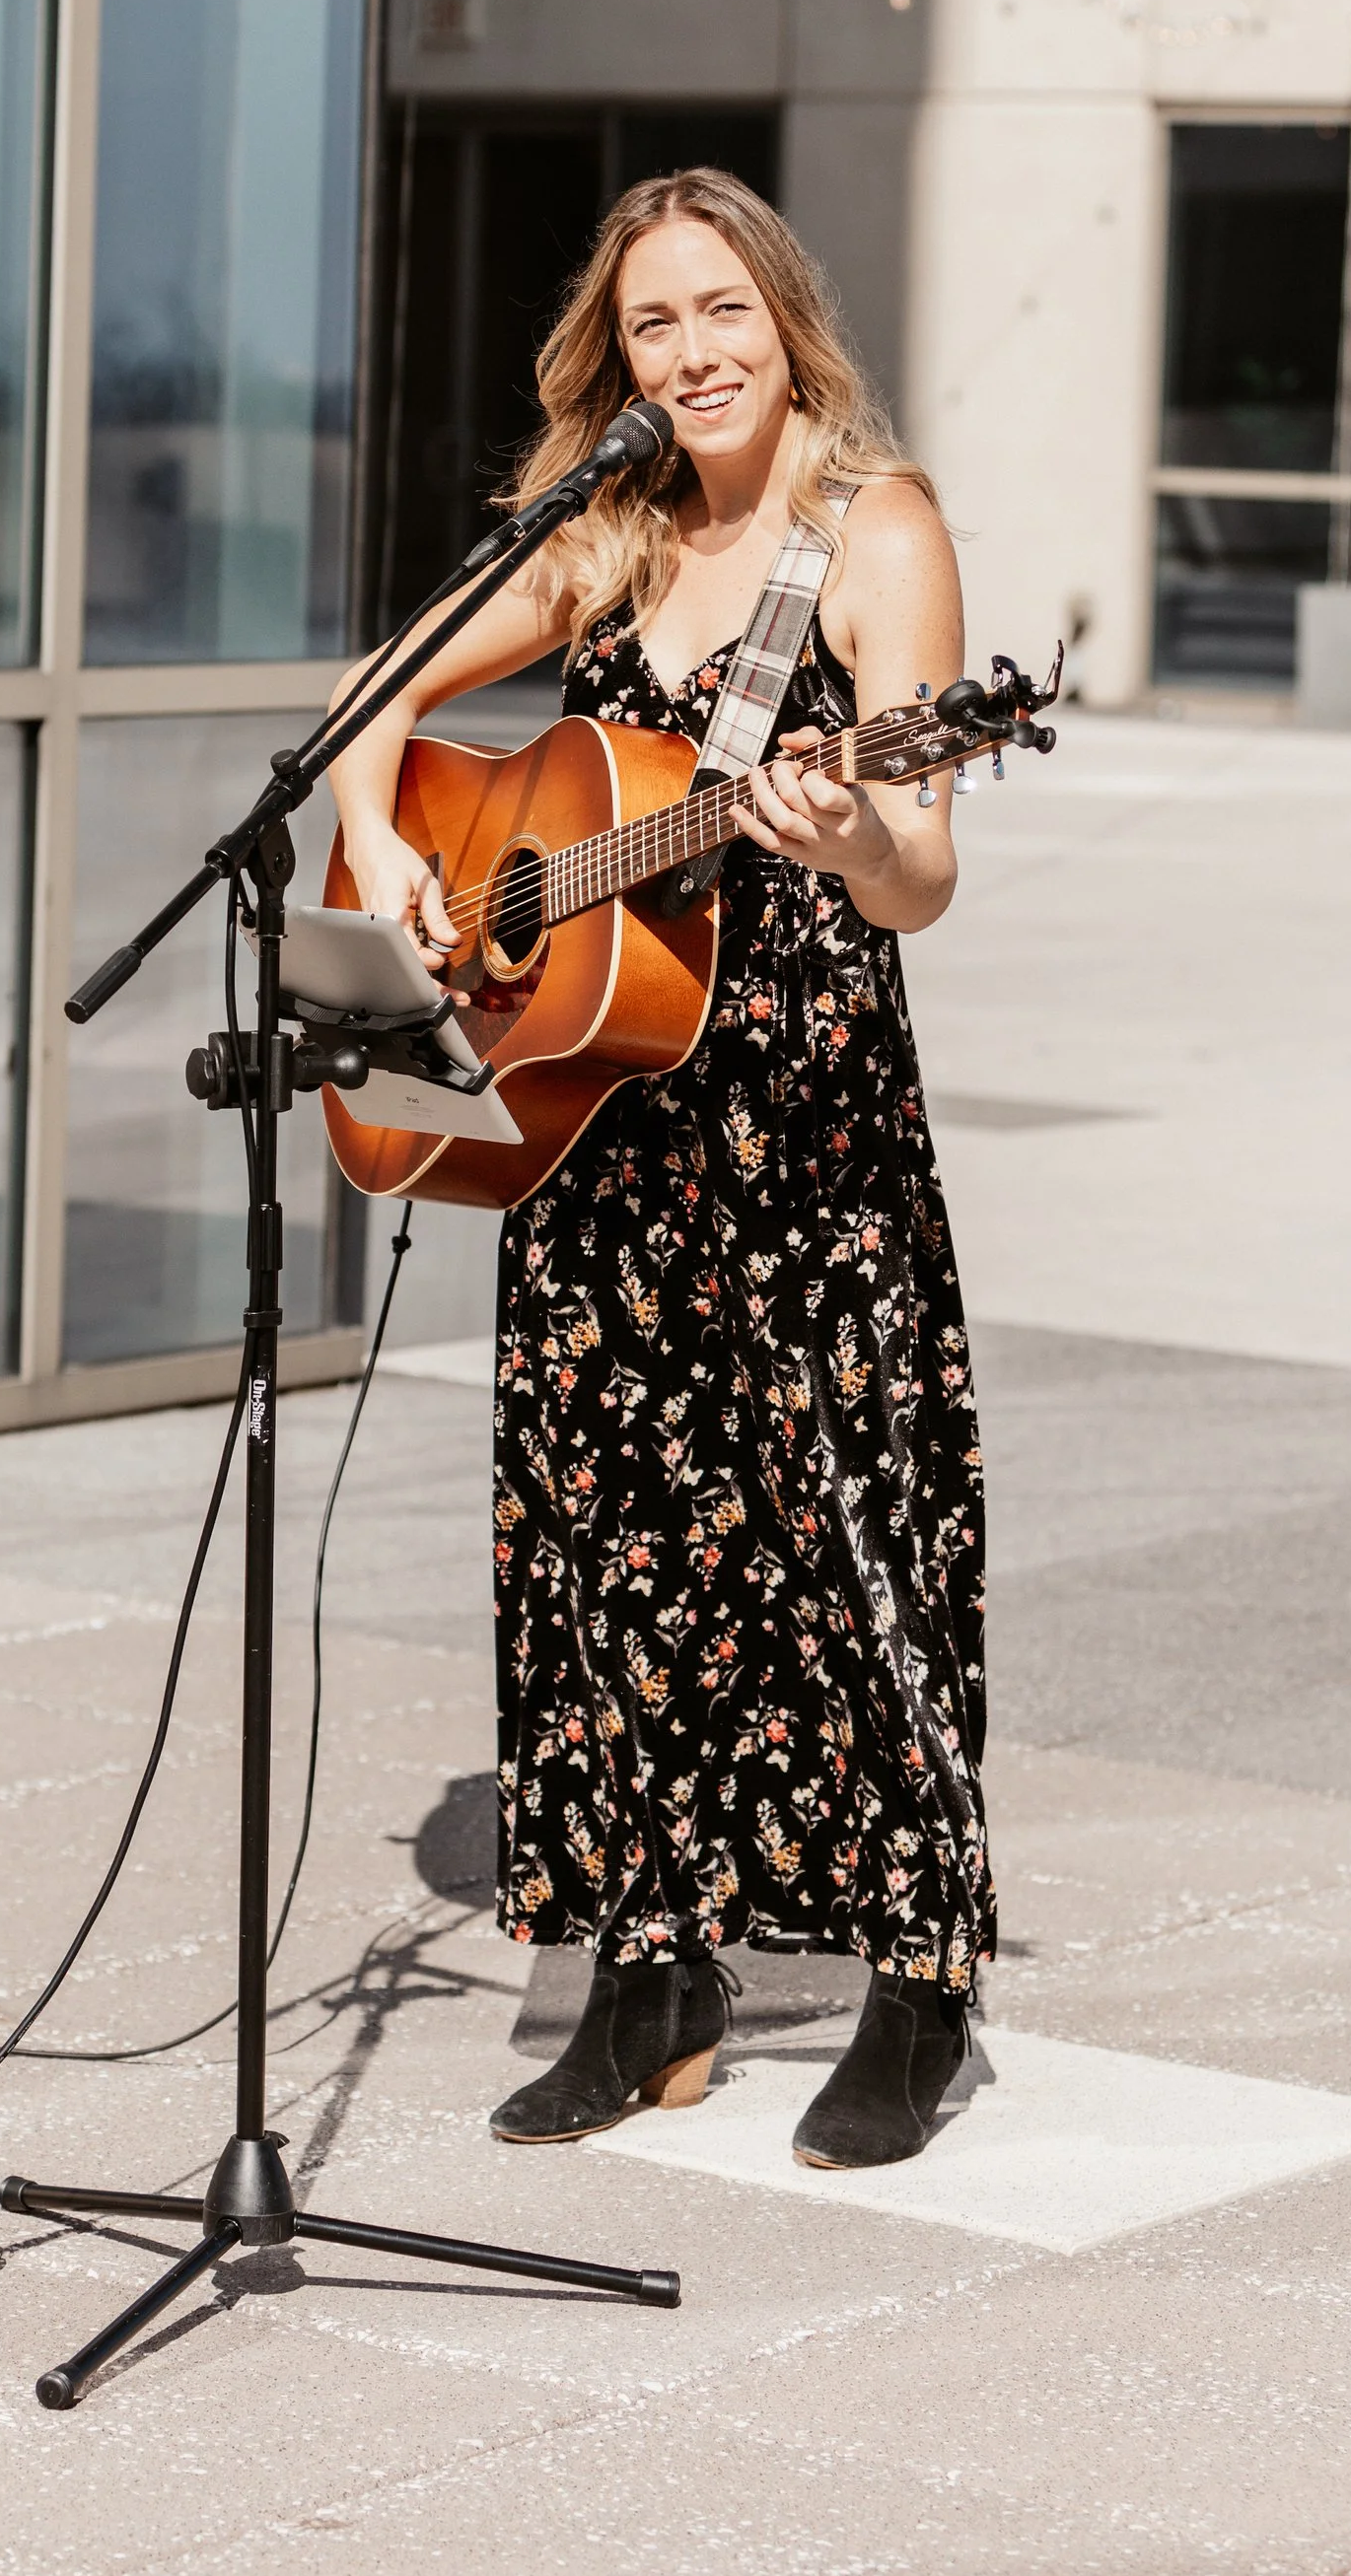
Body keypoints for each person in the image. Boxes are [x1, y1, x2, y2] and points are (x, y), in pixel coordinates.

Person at [328, 169, 993, 2170]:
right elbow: (367, 713)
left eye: (719, 313)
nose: (691, 353)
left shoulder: (869, 535)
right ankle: (649, 1978)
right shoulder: (601, 537)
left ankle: (919, 1981)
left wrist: (837, 837)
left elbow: (923, 866)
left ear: (786, 322)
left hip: (805, 1141)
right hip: (599, 1138)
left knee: (853, 1546)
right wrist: (387, 858)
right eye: (650, 327)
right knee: (614, 1553)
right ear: (607, 363)